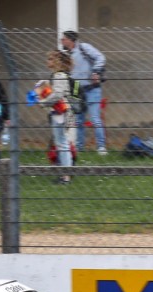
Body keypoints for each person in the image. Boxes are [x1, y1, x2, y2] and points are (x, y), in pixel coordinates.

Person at [60, 30, 107, 155]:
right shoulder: (65, 54)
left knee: (95, 118)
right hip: (76, 88)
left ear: (71, 40)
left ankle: (101, 147)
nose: (62, 41)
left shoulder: (84, 48)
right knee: (79, 120)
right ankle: (80, 147)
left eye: (64, 39)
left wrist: (96, 72)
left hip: (91, 87)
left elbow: (100, 57)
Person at [37, 50, 76, 185]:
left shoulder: (59, 75)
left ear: (56, 61)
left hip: (60, 112)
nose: (47, 62)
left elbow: (58, 95)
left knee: (62, 143)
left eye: (49, 59)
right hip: (59, 112)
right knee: (61, 143)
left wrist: (43, 102)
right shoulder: (57, 75)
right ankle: (66, 174)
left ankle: (66, 176)